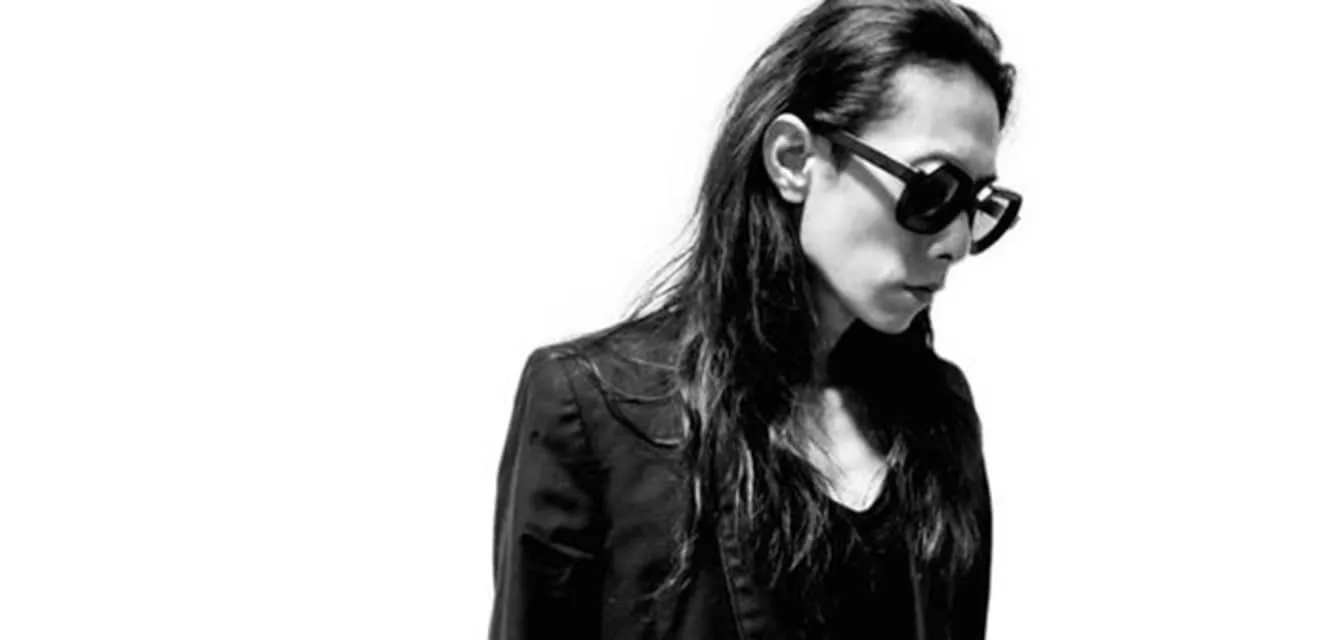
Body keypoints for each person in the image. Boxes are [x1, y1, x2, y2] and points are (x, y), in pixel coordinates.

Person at [490, 0, 1021, 637]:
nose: (956, 242)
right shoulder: (596, 409)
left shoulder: (938, 415)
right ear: (793, 160)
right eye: (933, 191)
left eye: (978, 203)